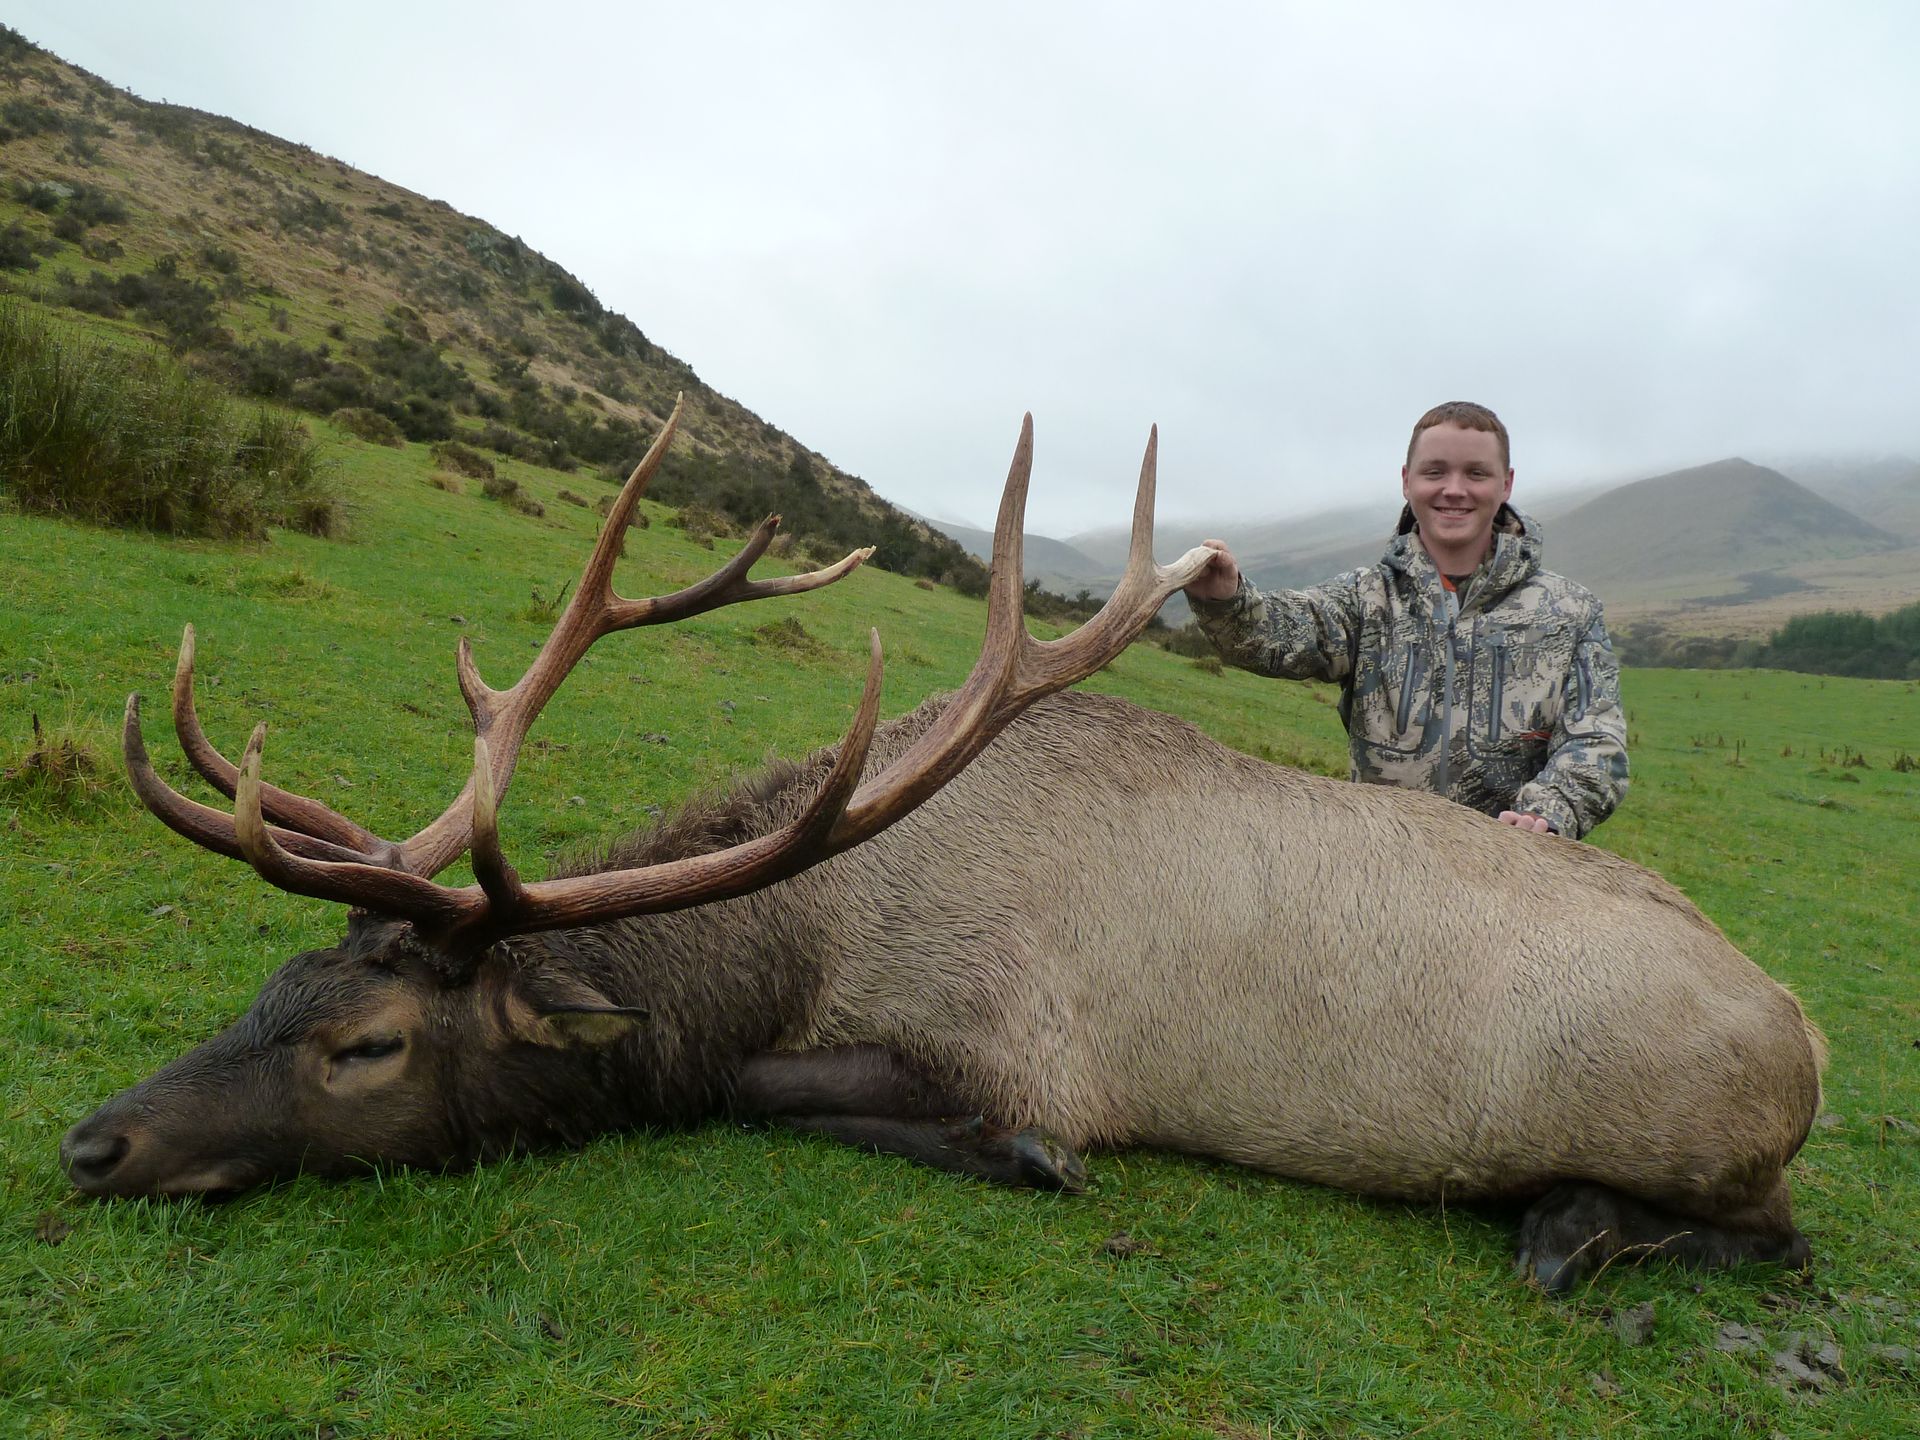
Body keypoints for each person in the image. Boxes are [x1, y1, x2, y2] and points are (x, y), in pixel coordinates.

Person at [1183, 401, 1628, 838]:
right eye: (1435, 472)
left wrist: (1548, 812)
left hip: (1512, 877)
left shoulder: (1571, 610)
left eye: (1476, 473)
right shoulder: (1367, 598)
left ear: (1506, 484)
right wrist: (1228, 600)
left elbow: (1595, 742)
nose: (1454, 489)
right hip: (1385, 873)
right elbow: (1283, 632)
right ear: (1406, 481)